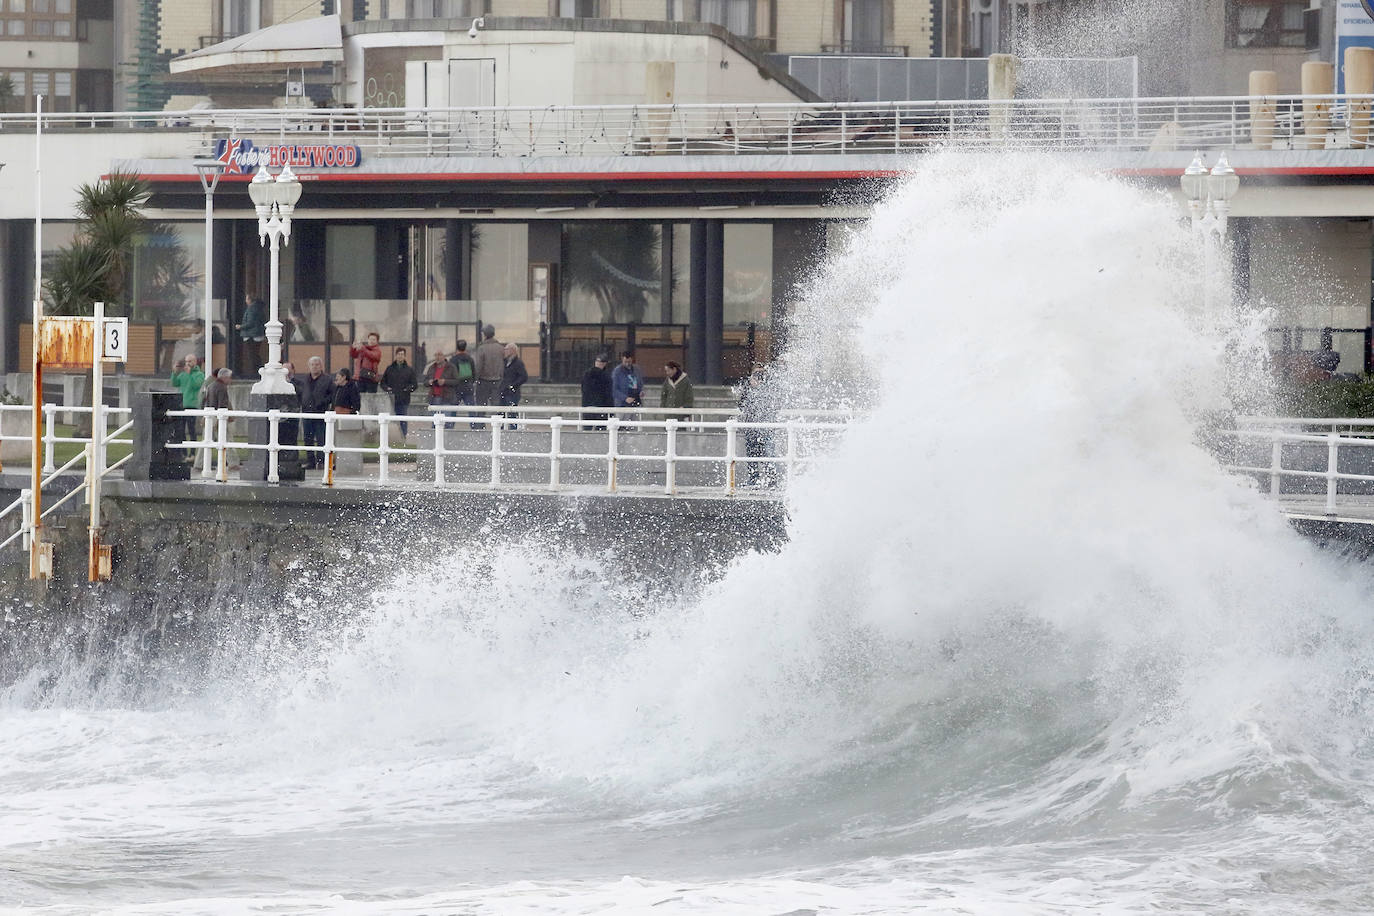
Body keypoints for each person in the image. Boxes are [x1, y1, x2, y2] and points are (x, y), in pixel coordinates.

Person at [737, 364, 776, 487]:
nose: (759, 377)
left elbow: (775, 403)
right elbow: (741, 404)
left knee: (768, 453)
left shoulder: (770, 386)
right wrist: (751, 386)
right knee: (752, 453)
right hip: (751, 426)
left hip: (766, 427)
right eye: (756, 374)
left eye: (761, 373)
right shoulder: (747, 386)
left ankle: (771, 480)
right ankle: (753, 479)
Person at [299, 356, 335, 468]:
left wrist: (323, 402)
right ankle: (310, 461)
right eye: (312, 364)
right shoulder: (304, 380)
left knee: (321, 438)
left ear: (321, 366)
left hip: (321, 412)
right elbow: (300, 394)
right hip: (307, 412)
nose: (314, 367)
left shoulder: (328, 380)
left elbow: (332, 395)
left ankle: (321, 461)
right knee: (308, 438)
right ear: (309, 366)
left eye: (317, 364)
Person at [381, 346, 418, 436]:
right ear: (396, 355)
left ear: (405, 356)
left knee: (402, 419)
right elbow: (383, 383)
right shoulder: (389, 369)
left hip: (403, 399)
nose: (400, 356)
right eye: (399, 354)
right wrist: (387, 389)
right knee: (390, 419)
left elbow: (415, 385)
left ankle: (403, 436)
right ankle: (390, 436)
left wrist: (407, 389)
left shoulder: (409, 370)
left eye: (402, 354)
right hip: (391, 398)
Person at [169, 353, 205, 446]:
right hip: (181, 404)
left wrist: (189, 374)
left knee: (191, 430)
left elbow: (196, 385)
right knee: (180, 430)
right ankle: (183, 453)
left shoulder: (199, 374)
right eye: (186, 361)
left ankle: (192, 453)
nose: (187, 363)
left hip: (192, 405)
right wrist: (175, 372)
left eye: (190, 361)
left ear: (195, 362)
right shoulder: (183, 374)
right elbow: (175, 383)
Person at [474, 324, 504, 407]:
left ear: (485, 334)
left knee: (481, 405)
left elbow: (478, 366)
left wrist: (475, 378)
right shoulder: (500, 348)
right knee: (496, 405)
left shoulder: (482, 348)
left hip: (483, 381)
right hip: (497, 380)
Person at [236, 293, 267, 375]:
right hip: (257, 334)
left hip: (251, 335)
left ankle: (256, 373)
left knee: (252, 355)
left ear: (250, 300)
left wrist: (240, 327)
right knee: (255, 354)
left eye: (246, 299)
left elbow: (250, 323)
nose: (245, 301)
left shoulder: (251, 309)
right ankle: (258, 371)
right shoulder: (259, 308)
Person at [580, 353, 614, 426]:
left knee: (588, 428)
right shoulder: (606, 376)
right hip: (601, 406)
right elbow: (608, 394)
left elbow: (584, 390)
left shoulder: (587, 374)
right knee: (601, 429)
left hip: (588, 405)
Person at [448, 339, 477, 408]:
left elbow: (450, 374)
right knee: (471, 408)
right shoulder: (470, 359)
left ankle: (452, 419)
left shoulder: (453, 360)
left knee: (453, 408)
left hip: (457, 387)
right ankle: (472, 418)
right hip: (468, 386)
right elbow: (474, 373)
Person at [500, 342, 529, 409]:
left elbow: (524, 377)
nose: (505, 351)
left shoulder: (518, 363)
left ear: (512, 350)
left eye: (506, 349)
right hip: (504, 391)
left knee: (511, 412)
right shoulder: (505, 362)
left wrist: (512, 385)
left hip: (512, 392)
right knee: (502, 412)